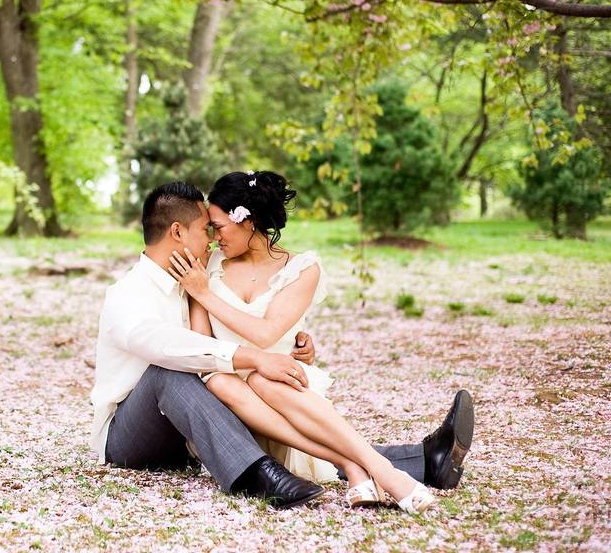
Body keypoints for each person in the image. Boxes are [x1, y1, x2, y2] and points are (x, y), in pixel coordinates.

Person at [89, 181, 474, 509]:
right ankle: (262, 474)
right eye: (205, 229)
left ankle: (421, 461)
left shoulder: (192, 277)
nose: (211, 240)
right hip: (131, 436)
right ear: (177, 232)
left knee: (263, 394)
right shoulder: (128, 294)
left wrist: (288, 350)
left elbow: (231, 331)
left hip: (193, 424)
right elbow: (169, 347)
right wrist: (256, 357)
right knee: (171, 374)